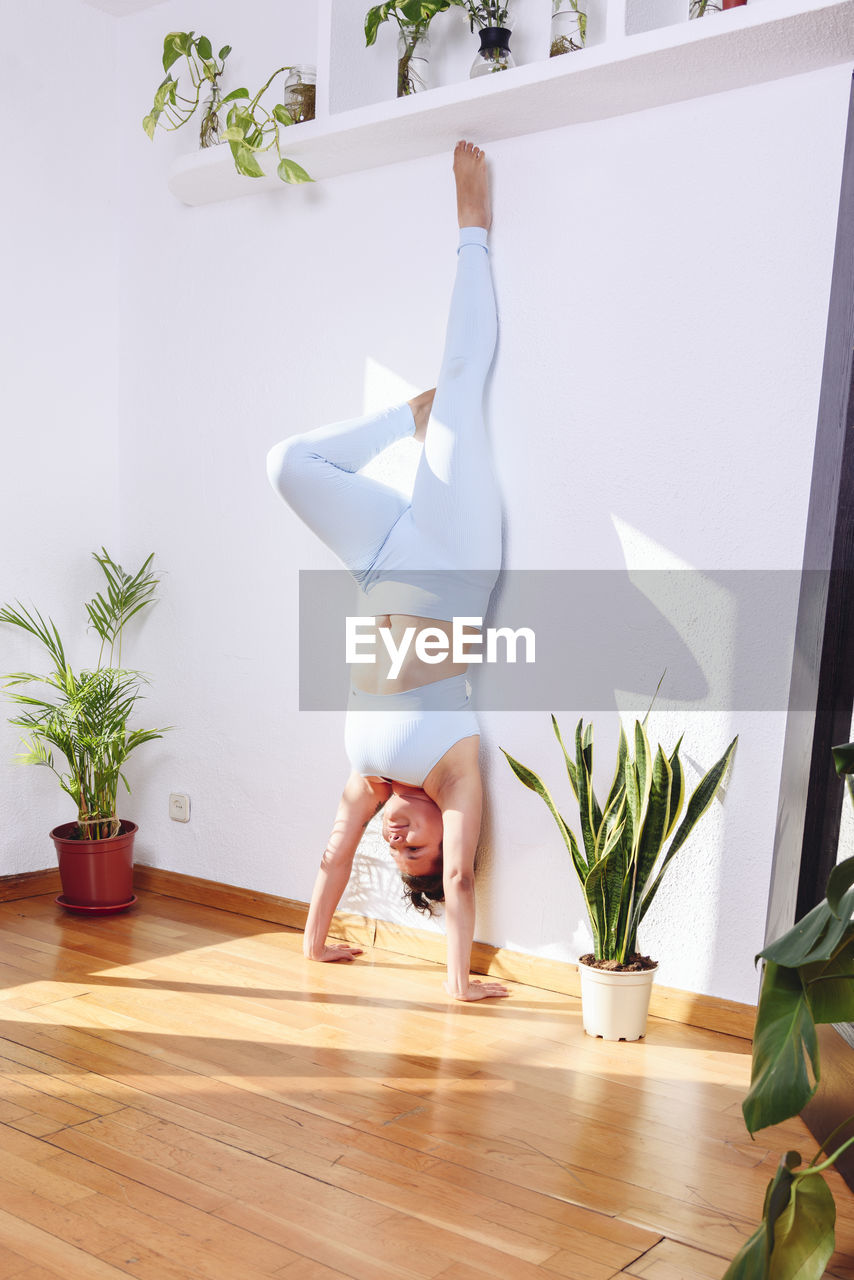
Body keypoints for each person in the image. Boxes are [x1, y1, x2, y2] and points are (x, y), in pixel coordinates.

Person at [266, 141, 509, 1001]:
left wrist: (312, 946)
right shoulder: (454, 771)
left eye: (394, 847)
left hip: (377, 562)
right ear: (448, 831)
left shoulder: (368, 781)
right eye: (419, 847)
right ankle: (471, 227)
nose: (397, 838)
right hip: (451, 554)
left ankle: (402, 421)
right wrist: (457, 985)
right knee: (461, 379)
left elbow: (334, 853)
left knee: (288, 465)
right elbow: (465, 888)